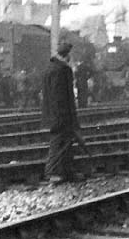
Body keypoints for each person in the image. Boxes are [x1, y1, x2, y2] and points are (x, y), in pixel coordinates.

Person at [41, 42, 82, 184]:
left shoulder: (50, 68)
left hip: (52, 113)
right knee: (58, 143)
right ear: (67, 55)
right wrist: (66, 117)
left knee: (64, 143)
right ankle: (53, 172)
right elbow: (62, 96)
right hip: (62, 115)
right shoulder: (63, 70)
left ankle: (66, 172)